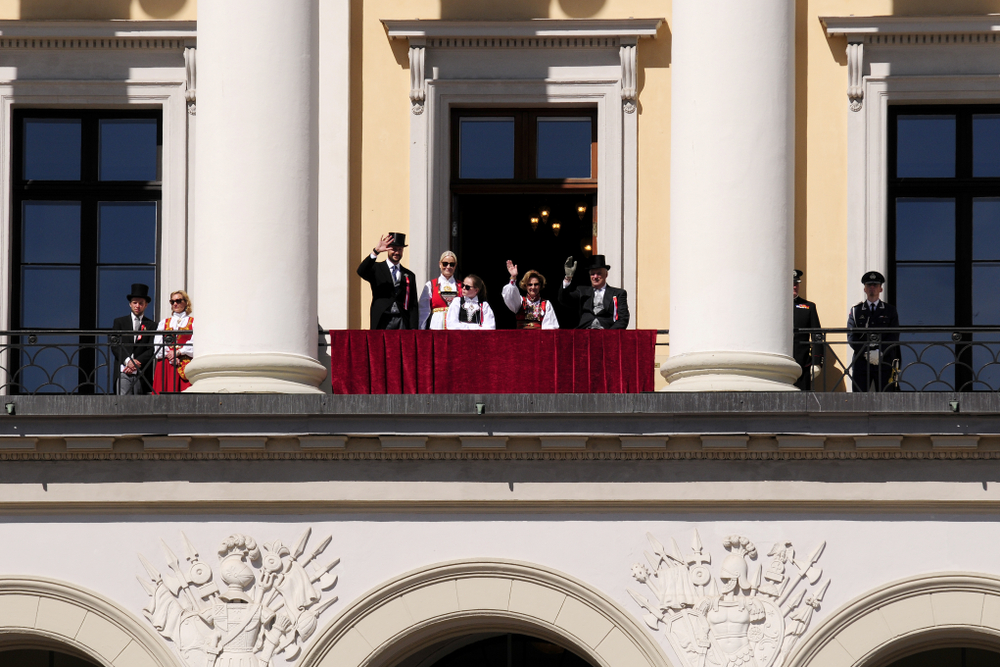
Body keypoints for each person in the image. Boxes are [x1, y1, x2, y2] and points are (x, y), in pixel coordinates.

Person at [848, 271, 900, 392]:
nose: (872, 288)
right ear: (865, 289)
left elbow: (894, 335)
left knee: (886, 399)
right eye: (869, 285)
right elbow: (851, 336)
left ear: (880, 289)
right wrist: (866, 352)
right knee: (859, 400)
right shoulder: (856, 311)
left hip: (884, 361)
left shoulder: (890, 310)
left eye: (875, 285)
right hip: (861, 362)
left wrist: (880, 351)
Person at [357, 232, 419, 330]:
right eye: (394, 249)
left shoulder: (409, 275)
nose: (397, 252)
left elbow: (413, 304)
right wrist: (375, 252)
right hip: (383, 319)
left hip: (402, 319)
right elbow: (361, 271)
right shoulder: (377, 268)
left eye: (400, 249)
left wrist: (414, 328)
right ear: (387, 249)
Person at [558, 255, 629, 329]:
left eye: (599, 273)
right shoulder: (582, 291)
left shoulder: (618, 294)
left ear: (606, 275)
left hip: (606, 332)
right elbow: (564, 299)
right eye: (592, 274)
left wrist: (610, 334)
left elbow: (623, 319)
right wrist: (568, 277)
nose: (595, 276)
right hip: (584, 332)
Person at [111, 283, 156, 395]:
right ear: (130, 304)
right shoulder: (120, 322)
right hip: (123, 370)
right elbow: (115, 345)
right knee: (123, 401)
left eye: (141, 303)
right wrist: (128, 361)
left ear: (146, 305)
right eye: (135, 303)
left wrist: (136, 363)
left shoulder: (152, 325)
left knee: (139, 405)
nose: (137, 306)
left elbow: (151, 349)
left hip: (142, 372)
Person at [153, 289, 194, 393]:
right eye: (172, 302)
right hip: (166, 364)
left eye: (178, 301)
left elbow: (195, 343)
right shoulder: (164, 322)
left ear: (186, 302)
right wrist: (170, 355)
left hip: (184, 363)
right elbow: (157, 345)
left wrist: (179, 352)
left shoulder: (193, 322)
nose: (175, 304)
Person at [502, 260, 559, 330]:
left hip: (539, 339)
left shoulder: (546, 304)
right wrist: (513, 278)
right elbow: (510, 297)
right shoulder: (520, 302)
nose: (533, 287)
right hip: (521, 338)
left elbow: (550, 328)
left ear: (540, 285)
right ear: (525, 286)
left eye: (536, 284)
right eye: (530, 285)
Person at [792, 269, 824, 390]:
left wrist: (817, 362)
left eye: (797, 283)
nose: (795, 287)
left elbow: (817, 335)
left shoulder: (808, 307)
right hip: (780, 362)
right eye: (792, 284)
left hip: (803, 363)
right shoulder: (775, 306)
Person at [418, 251, 459, 329]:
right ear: (440, 264)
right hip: (436, 326)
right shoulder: (430, 285)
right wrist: (421, 329)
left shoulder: (461, 286)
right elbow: (424, 310)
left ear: (455, 266)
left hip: (456, 326)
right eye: (445, 264)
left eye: (452, 264)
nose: (448, 267)